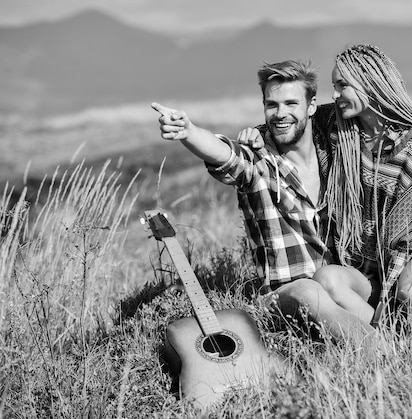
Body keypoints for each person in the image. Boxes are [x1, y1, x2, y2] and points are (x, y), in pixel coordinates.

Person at [237, 45, 412, 377]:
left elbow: (409, 240)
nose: (335, 95)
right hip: (371, 267)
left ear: (370, 84)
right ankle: (396, 349)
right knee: (327, 278)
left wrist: (386, 302)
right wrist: (256, 135)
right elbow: (290, 115)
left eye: (342, 86)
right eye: (333, 87)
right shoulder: (339, 129)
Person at [152, 59, 378, 344]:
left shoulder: (335, 151)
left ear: (311, 106)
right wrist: (189, 132)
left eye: (290, 104)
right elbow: (225, 154)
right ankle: (381, 351)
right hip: (287, 295)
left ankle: (396, 335)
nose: (280, 114)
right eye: (272, 105)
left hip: (342, 282)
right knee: (310, 291)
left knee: (336, 279)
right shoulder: (259, 161)